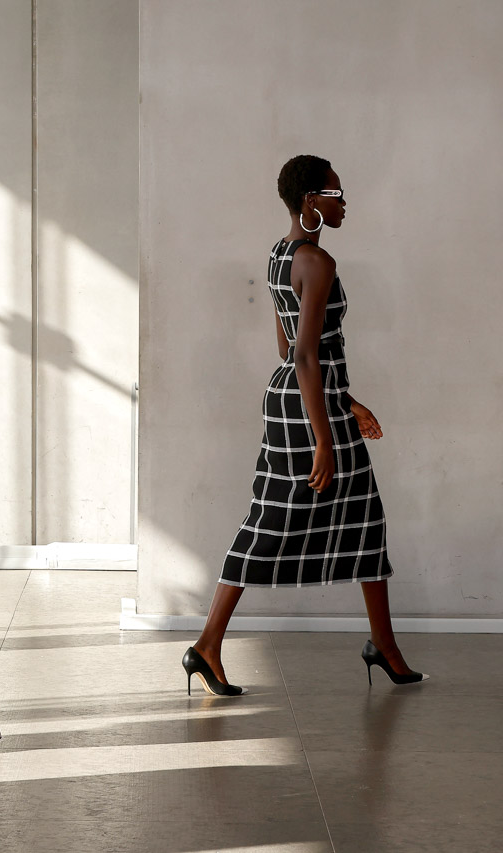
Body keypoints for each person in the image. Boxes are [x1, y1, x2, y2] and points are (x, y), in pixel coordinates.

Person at [183, 154, 427, 696]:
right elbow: (306, 357)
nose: (344, 205)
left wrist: (349, 404)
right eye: (337, 195)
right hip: (307, 407)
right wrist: (323, 436)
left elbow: (288, 347)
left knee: (365, 518)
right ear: (311, 200)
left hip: (307, 398)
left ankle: (384, 647)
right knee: (272, 521)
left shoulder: (280, 255)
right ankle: (206, 644)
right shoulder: (317, 263)